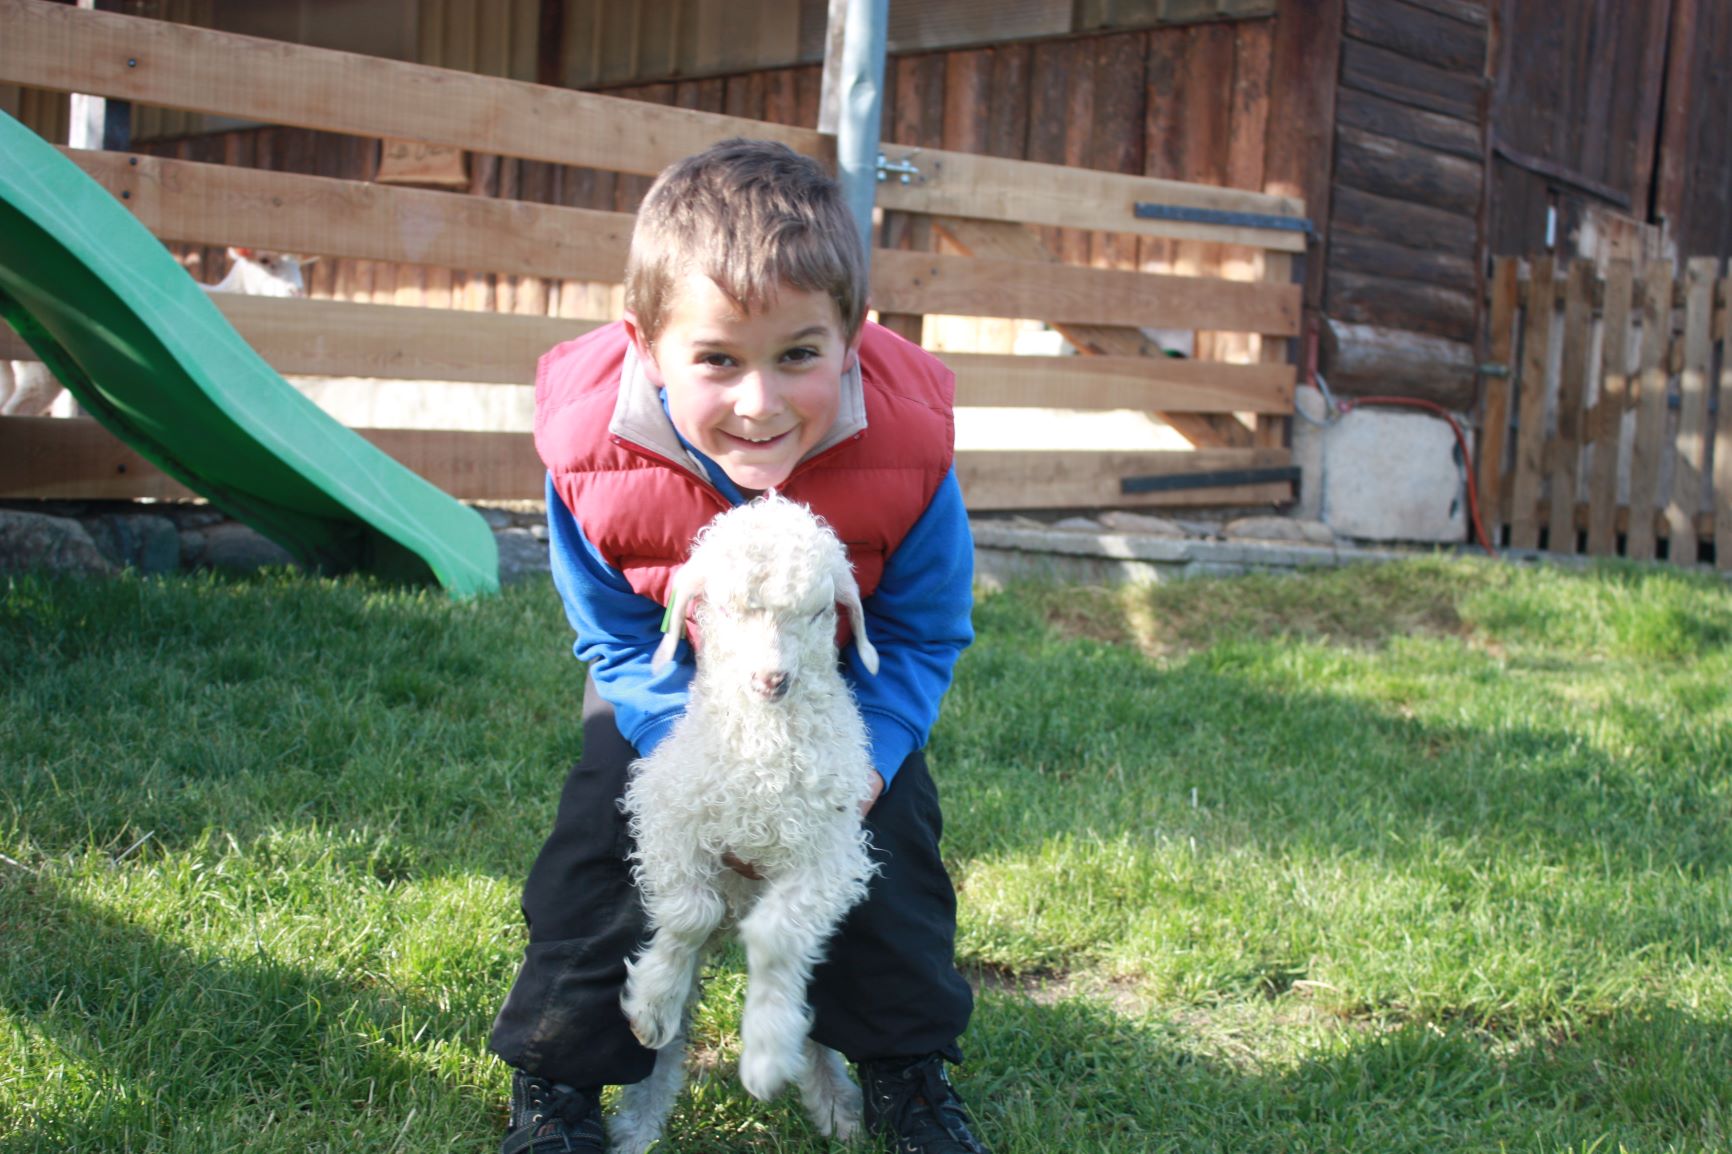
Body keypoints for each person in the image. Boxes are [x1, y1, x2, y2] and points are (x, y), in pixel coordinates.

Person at [488, 138, 989, 1154]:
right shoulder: (590, 449)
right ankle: (560, 1075)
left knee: (888, 843)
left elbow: (922, 627)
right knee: (604, 838)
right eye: (716, 358)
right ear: (645, 344)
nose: (758, 401)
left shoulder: (908, 444)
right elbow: (614, 629)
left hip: (834, 684)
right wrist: (697, 757)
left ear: (852, 335)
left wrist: (871, 756)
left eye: (798, 354)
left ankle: (905, 1066)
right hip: (674, 689)